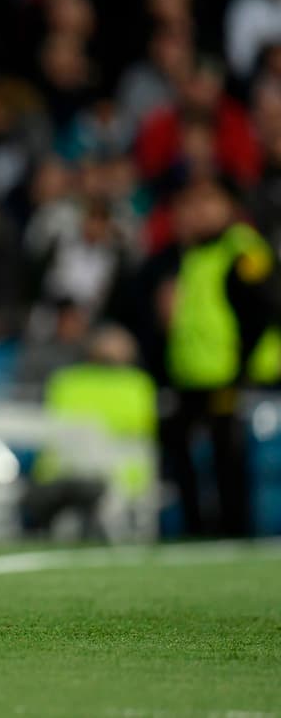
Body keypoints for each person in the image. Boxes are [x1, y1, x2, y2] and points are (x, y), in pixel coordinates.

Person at [160, 175, 281, 538]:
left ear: (230, 207)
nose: (199, 212)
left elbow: (264, 309)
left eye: (208, 202)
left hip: (231, 375)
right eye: (193, 204)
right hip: (193, 374)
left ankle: (236, 531)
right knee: (180, 445)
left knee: (230, 457)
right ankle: (197, 529)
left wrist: (243, 366)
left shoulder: (242, 250)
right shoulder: (193, 254)